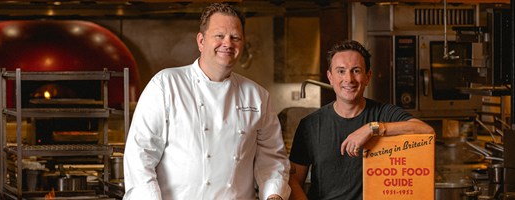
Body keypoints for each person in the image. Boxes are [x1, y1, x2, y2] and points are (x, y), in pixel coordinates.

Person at [123, 3, 290, 200]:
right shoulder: (167, 85)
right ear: (201, 41)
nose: (227, 43)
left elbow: (272, 159)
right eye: (219, 36)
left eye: (235, 37)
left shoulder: (257, 95)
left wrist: (274, 195)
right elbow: (140, 154)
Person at [287, 40, 434, 200]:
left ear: (367, 76)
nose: (349, 79)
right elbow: (294, 180)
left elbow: (426, 131)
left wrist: (373, 129)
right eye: (341, 71)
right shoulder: (310, 125)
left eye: (356, 71)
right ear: (330, 77)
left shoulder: (384, 114)